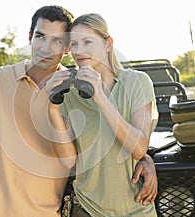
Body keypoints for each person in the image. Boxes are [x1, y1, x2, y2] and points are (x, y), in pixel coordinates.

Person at [0, 6, 157, 217]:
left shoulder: (73, 90)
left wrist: (146, 157)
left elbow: (83, 151)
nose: (45, 48)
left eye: (57, 41)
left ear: (67, 48)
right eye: (40, 37)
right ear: (30, 37)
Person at [46, 13, 159, 217]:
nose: (79, 51)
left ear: (108, 44)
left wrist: (101, 98)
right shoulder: (70, 94)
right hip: (87, 208)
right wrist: (52, 108)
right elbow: (68, 161)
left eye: (87, 42)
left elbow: (139, 148)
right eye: (74, 44)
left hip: (137, 209)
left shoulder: (137, 82)